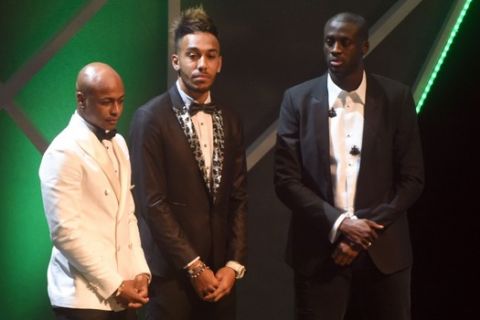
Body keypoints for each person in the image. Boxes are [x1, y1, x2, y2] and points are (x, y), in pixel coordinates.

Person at [274, 12, 424, 320]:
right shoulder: (297, 100)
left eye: (345, 42)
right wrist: (341, 223)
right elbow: (286, 181)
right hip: (318, 252)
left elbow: (412, 180)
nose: (335, 49)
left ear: (365, 47)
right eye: (329, 42)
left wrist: (362, 233)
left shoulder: (396, 98)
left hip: (385, 255)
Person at [129, 6, 247, 320]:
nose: (202, 64)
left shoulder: (231, 119)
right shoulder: (150, 118)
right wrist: (195, 267)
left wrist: (233, 266)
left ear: (220, 63)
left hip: (221, 277)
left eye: (210, 56)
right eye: (193, 55)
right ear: (176, 61)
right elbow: (152, 203)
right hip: (170, 277)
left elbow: (238, 198)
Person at [39, 62, 151, 320]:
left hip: (122, 293)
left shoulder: (119, 143)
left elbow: (128, 214)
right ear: (81, 100)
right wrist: (114, 284)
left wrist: (139, 272)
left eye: (121, 101)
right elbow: (65, 233)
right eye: (106, 102)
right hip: (82, 298)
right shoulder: (63, 151)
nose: (116, 111)